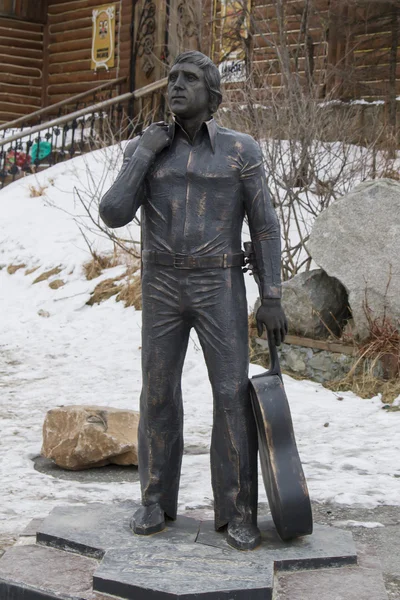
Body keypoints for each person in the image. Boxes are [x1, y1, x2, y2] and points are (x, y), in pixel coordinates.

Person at [99, 51, 287, 551]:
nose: (176, 86)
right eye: (172, 79)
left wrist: (271, 294)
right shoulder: (149, 148)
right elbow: (114, 212)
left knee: (230, 395)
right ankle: (155, 501)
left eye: (188, 79)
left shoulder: (239, 149)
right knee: (157, 394)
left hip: (219, 285)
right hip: (161, 284)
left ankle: (238, 511)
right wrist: (142, 154)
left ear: (213, 94)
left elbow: (265, 224)